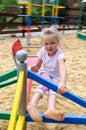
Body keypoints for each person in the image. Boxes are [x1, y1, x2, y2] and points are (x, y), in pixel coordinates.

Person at [27, 27, 67, 124]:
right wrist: (32, 68)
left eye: (52, 43)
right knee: (46, 82)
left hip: (56, 77)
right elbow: (38, 65)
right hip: (45, 73)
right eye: (46, 44)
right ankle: (32, 104)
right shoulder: (42, 51)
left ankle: (50, 109)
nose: (49, 46)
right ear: (43, 44)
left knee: (54, 88)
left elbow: (62, 68)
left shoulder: (59, 55)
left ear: (57, 43)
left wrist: (62, 82)